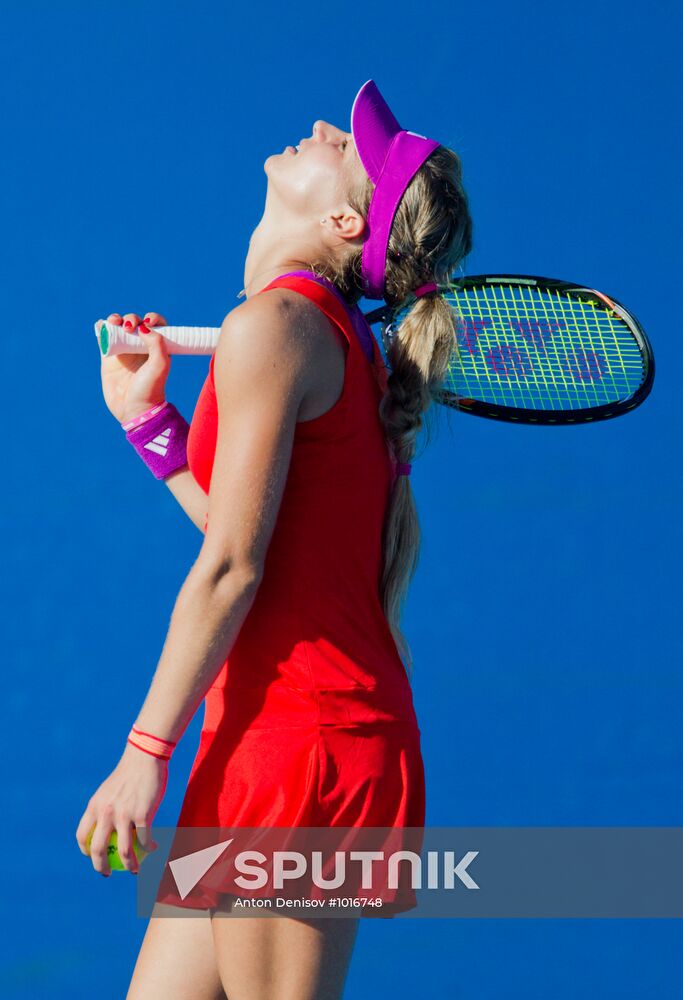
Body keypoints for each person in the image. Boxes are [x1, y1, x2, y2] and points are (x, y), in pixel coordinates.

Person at [77, 79, 473, 999]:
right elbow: (264, 537)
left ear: (344, 221)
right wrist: (154, 432)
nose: (327, 128)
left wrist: (143, 754)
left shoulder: (279, 327)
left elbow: (231, 569)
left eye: (349, 147)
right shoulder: (312, 333)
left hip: (299, 749)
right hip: (267, 735)